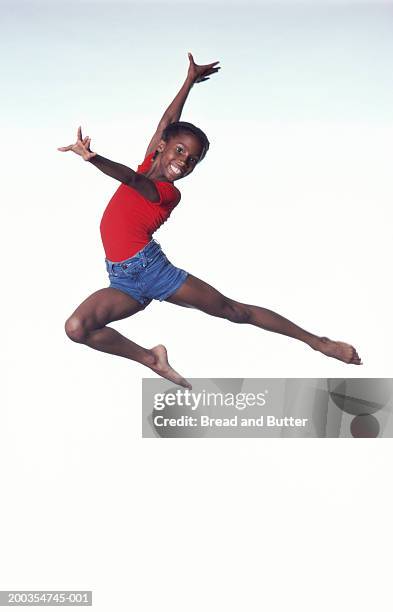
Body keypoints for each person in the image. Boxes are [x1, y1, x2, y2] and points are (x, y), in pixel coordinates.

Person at [59, 52, 362, 389]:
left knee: (235, 312)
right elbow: (168, 120)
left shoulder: (166, 192)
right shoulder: (149, 161)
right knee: (78, 328)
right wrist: (189, 80)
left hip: (153, 271)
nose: (184, 161)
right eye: (179, 151)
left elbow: (132, 181)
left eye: (192, 160)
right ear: (161, 147)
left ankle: (318, 342)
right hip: (122, 279)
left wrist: (93, 158)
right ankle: (151, 358)